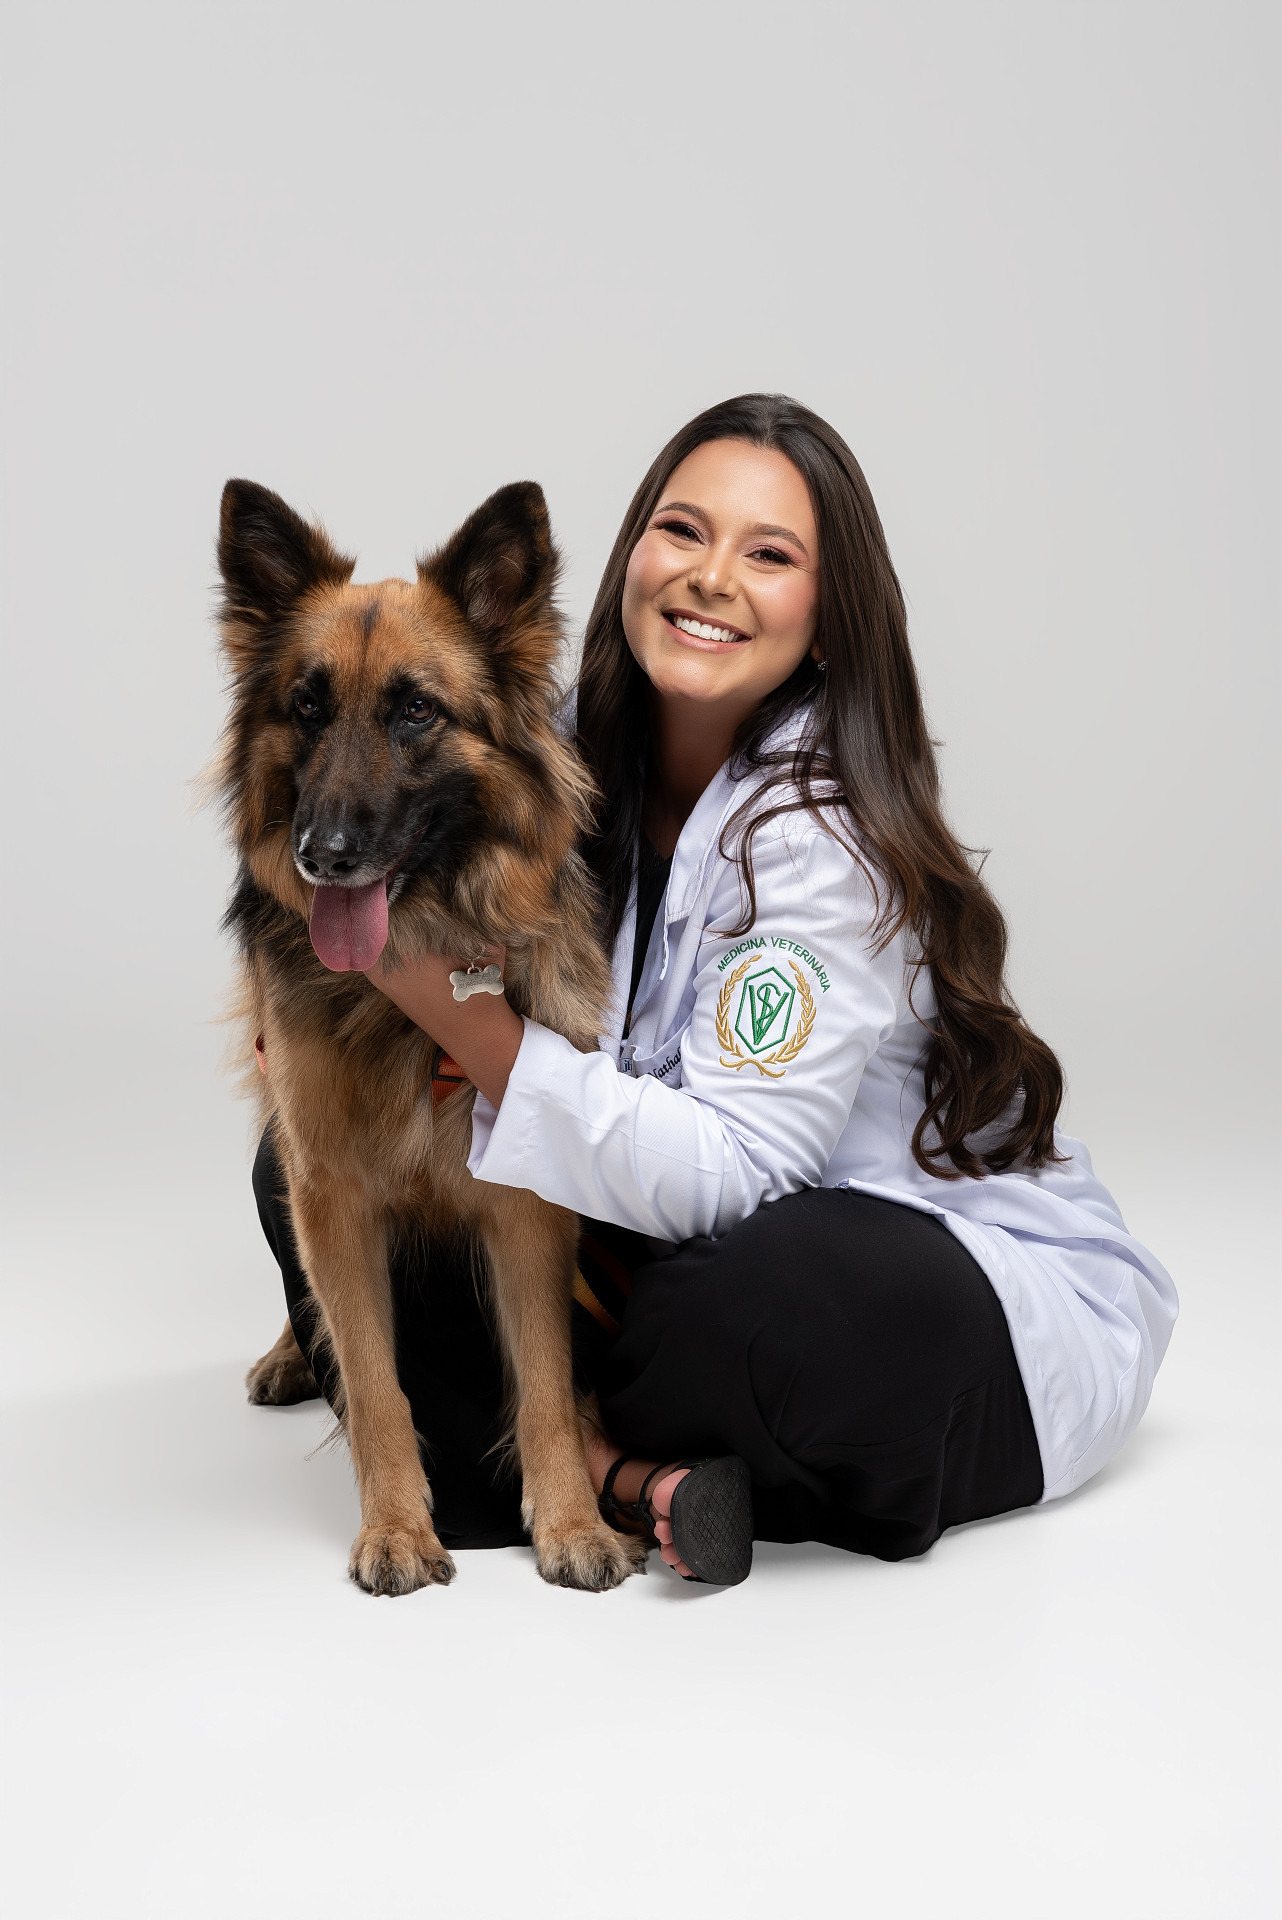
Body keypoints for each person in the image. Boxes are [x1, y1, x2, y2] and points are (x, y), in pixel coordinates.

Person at [253, 392, 1177, 1585]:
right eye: (683, 531)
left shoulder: (826, 843)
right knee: (305, 1171)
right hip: (664, 1232)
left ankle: (598, 1457)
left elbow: (739, 1175)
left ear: (828, 618)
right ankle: (630, 1472)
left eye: (769, 555)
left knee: (754, 1302)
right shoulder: (556, 751)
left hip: (932, 1296)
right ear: (630, 557)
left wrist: (461, 1023)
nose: (711, 576)